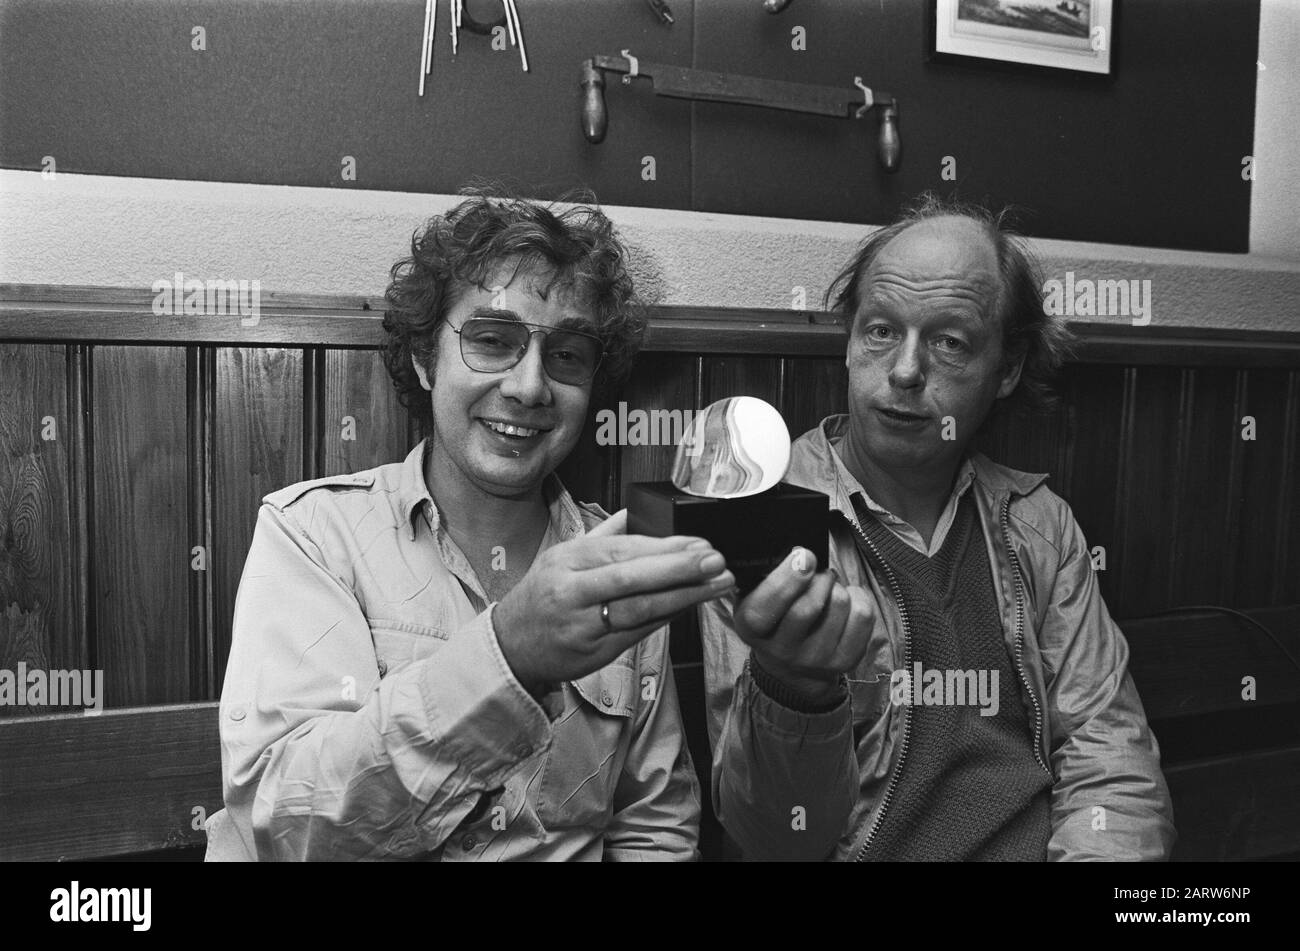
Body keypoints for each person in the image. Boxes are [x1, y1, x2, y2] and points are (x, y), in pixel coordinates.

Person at [205, 192, 734, 861]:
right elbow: (287, 821)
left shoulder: (619, 561)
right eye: (492, 340)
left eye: (567, 354)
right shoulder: (314, 535)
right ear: (426, 357)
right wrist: (508, 656)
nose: (530, 386)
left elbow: (653, 826)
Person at [700, 194, 1176, 861]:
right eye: (880, 330)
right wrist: (791, 687)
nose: (903, 370)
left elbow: (1110, 758)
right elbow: (774, 840)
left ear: (1005, 370)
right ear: (848, 339)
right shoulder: (762, 524)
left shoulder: (1040, 527)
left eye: (949, 342)